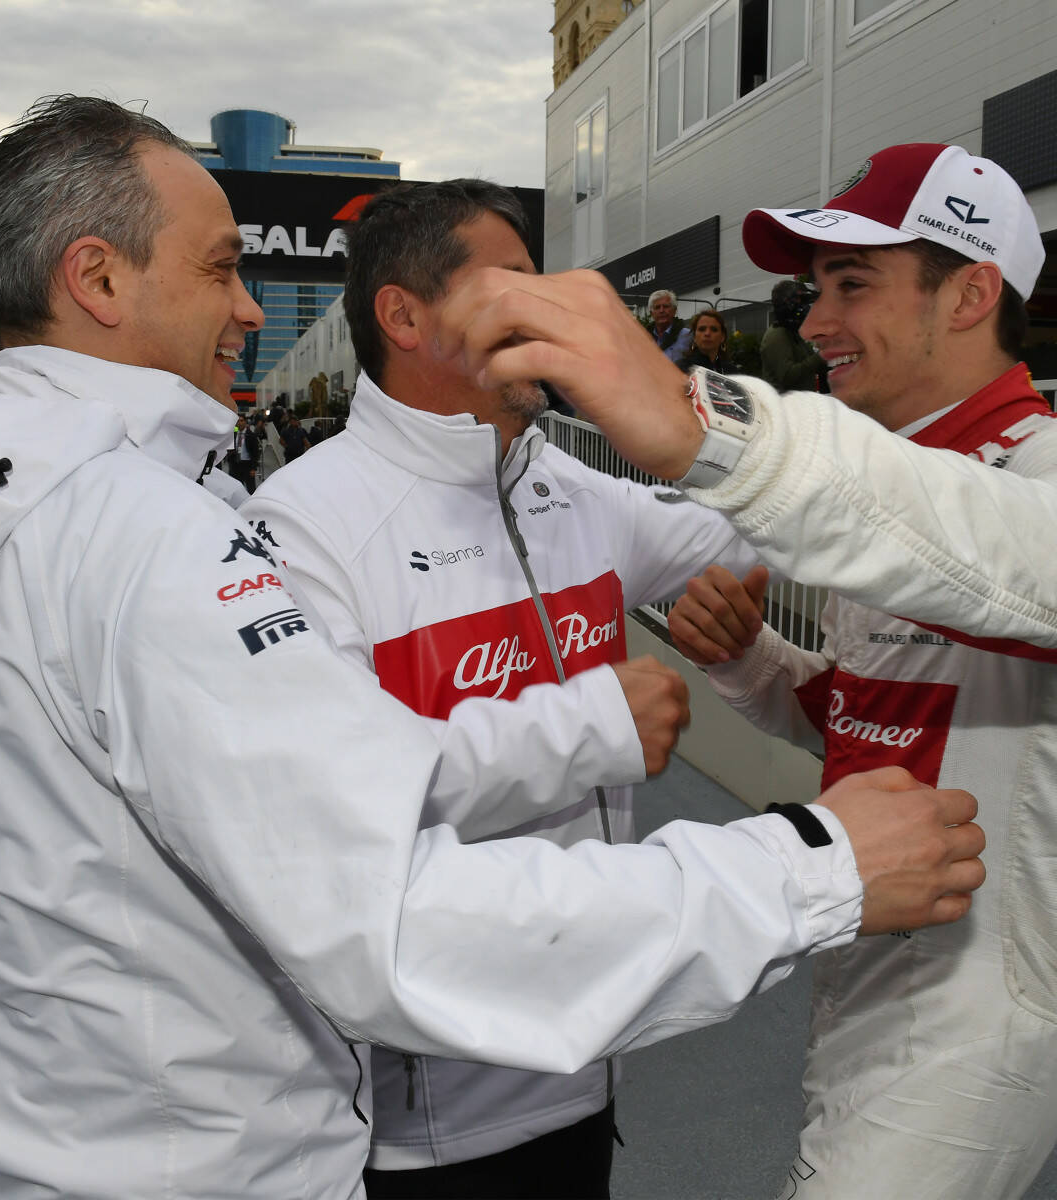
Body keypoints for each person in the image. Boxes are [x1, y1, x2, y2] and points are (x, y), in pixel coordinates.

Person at [0, 96, 984, 1198]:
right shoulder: (160, 534)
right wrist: (811, 866)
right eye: (221, 268)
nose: (246, 307)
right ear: (98, 280)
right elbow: (388, 919)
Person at [432, 142, 1057, 1200]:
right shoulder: (902, 474)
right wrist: (750, 660)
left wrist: (714, 429)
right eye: (816, 289)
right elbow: (865, 720)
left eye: (851, 284)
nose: (815, 324)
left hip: (968, 1016)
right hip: (864, 960)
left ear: (970, 294)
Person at [244, 179, 762, 1199]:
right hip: (424, 1123)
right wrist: (593, 725)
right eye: (515, 284)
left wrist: (682, 414)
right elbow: (331, 809)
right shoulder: (300, 525)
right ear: (404, 316)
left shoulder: (560, 481)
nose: (554, 308)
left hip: (586, 1061)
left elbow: (760, 534)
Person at [759, 279, 825, 392]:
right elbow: (787, 376)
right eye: (800, 302)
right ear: (787, 304)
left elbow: (813, 366)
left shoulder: (792, 332)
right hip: (784, 402)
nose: (805, 307)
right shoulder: (777, 334)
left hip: (801, 400)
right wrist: (820, 356)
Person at [676, 308, 737, 374]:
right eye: (702, 329)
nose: (707, 333)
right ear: (694, 337)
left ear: (722, 337)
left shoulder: (732, 372)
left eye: (714, 329)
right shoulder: (680, 369)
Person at [644, 288, 691, 361]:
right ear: (651, 313)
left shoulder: (688, 335)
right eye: (657, 307)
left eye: (666, 306)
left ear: (674, 310)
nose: (661, 310)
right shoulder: (644, 338)